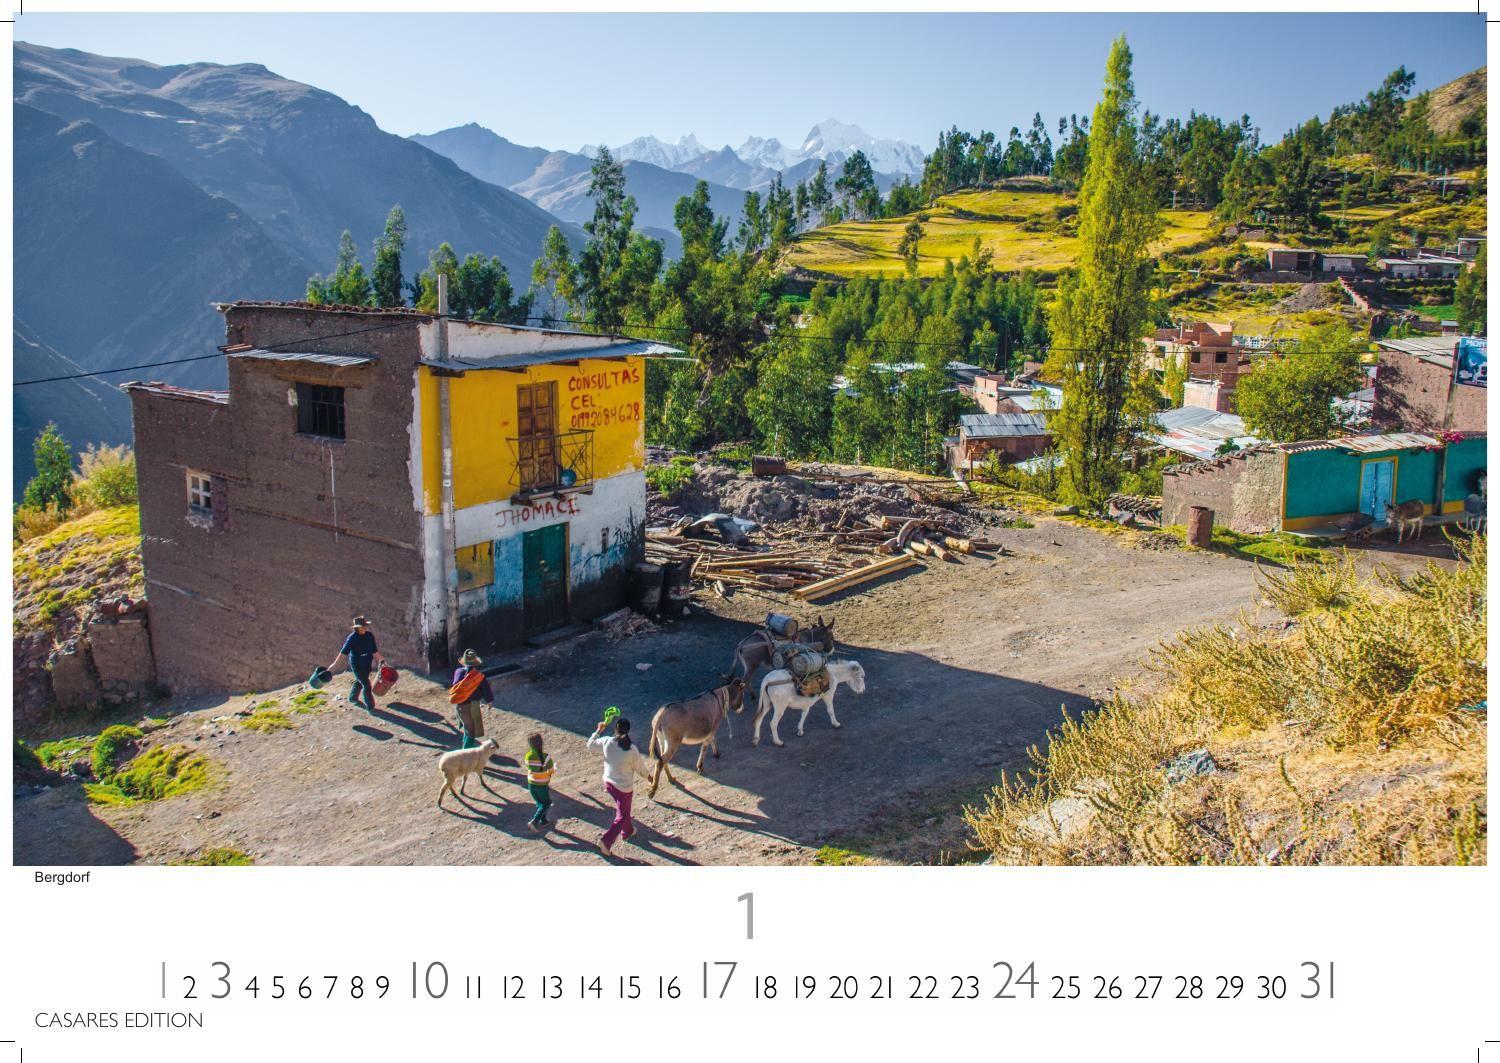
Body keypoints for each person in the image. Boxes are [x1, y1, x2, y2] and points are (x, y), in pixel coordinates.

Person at [586, 715, 652, 856]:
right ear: (628, 731)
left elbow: (590, 745)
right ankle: (606, 842)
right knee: (622, 815)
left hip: (609, 784)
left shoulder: (606, 742)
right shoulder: (631, 750)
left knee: (624, 811)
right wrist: (649, 777)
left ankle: (627, 831)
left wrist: (598, 730)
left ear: (615, 729)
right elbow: (640, 767)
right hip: (624, 789)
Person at [328, 615, 384, 711]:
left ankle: (352, 697)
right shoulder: (352, 638)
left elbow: (374, 651)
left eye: (365, 626)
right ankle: (370, 706)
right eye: (362, 627)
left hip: (367, 662)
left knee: (361, 680)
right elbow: (343, 652)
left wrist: (382, 661)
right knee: (366, 685)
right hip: (357, 664)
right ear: (357, 628)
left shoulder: (369, 636)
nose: (364, 628)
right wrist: (334, 664)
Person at [450, 649, 494, 750]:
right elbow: (486, 691)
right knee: (472, 733)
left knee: (467, 729)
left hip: (460, 706)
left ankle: (465, 749)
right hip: (472, 706)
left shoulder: (458, 672)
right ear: (475, 664)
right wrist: (490, 701)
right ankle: (464, 754)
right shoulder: (479, 677)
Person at [523, 732, 556, 832]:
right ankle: (534, 821)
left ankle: (544, 821)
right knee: (547, 803)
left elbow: (528, 767)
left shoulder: (527, 756)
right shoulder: (546, 757)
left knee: (539, 802)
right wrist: (554, 768)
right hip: (542, 785)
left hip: (531, 783)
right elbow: (551, 770)